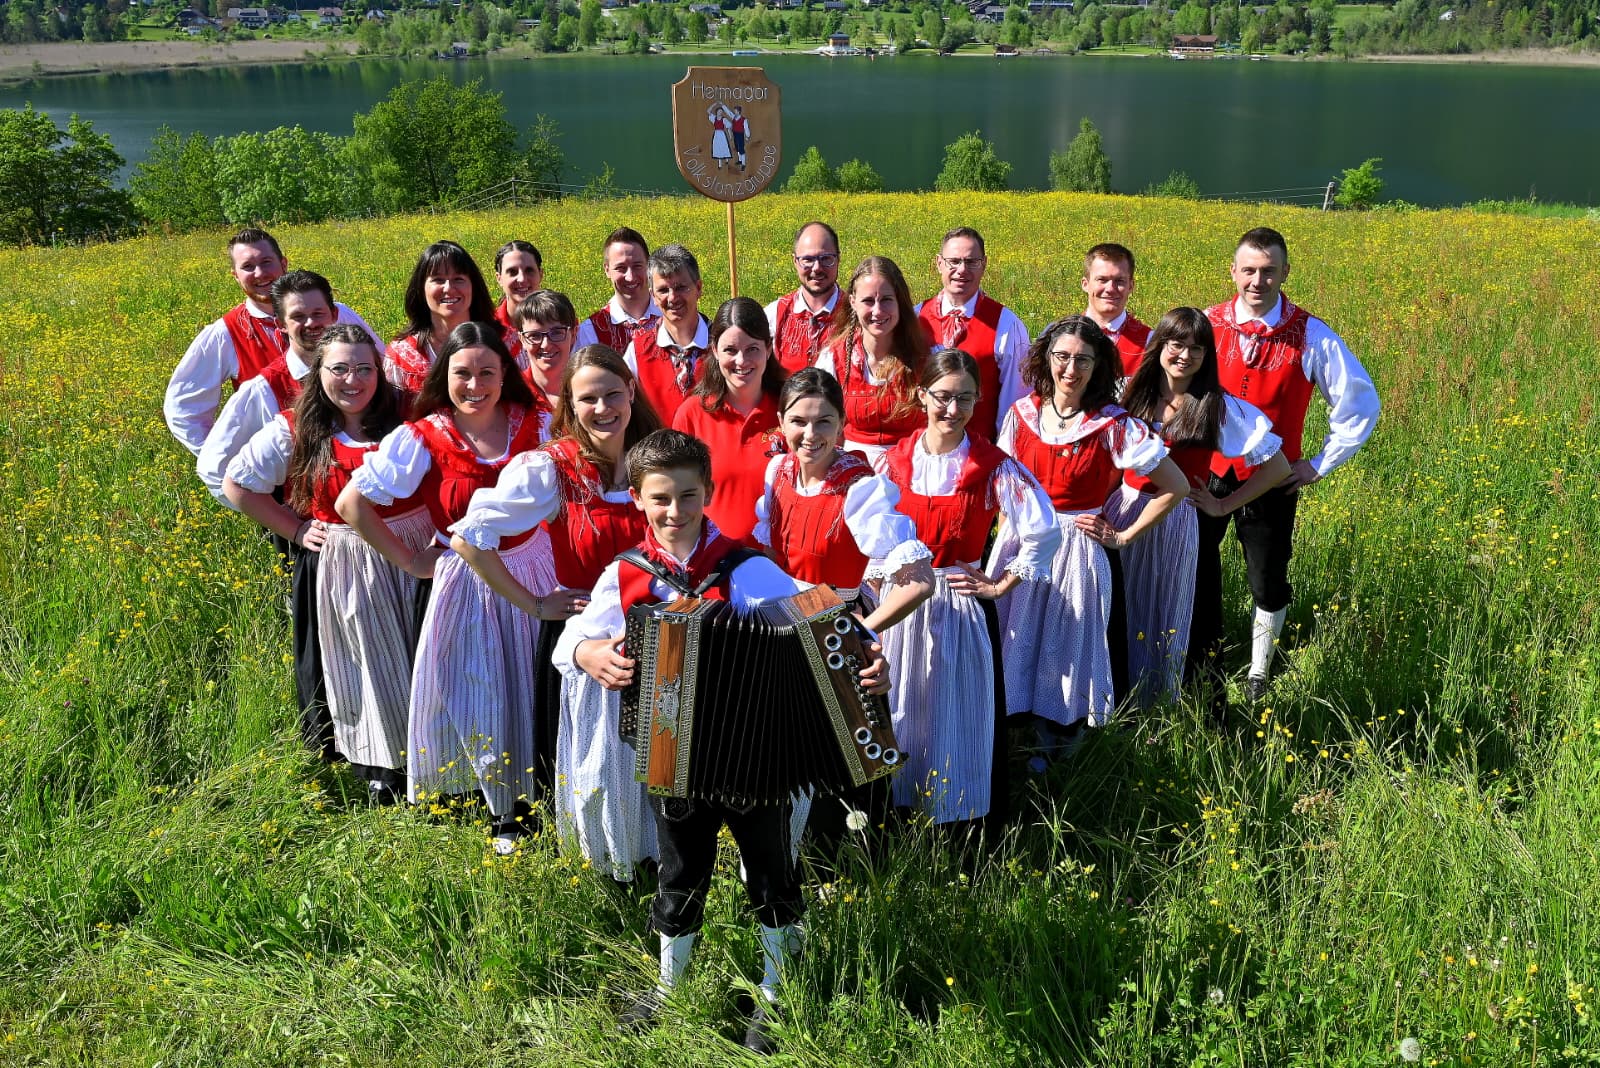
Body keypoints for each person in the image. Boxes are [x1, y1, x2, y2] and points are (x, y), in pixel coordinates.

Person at [554, 428, 890, 1052]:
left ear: (708, 492)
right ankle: (669, 987)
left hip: (755, 761)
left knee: (770, 874)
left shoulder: (749, 568)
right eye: (660, 499)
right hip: (669, 757)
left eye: (688, 496)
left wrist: (868, 658)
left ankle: (776, 990)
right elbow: (566, 646)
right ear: (637, 499)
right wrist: (589, 649)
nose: (675, 512)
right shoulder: (627, 574)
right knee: (679, 873)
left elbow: (821, 626)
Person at [337, 322, 553, 851]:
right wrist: (410, 560)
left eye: (487, 372)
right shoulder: (425, 434)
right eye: (462, 373)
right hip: (467, 581)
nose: (475, 384)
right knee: (480, 685)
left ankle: (543, 793)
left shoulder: (538, 422)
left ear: (506, 376)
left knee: (534, 683)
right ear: (444, 375)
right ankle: (501, 809)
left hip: (533, 567)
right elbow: (351, 504)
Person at [452, 345, 664, 879]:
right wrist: (533, 602)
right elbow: (470, 539)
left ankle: (660, 861)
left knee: (655, 762)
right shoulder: (551, 468)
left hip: (661, 637)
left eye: (612, 393)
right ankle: (604, 870)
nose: (602, 408)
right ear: (569, 403)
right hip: (585, 642)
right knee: (592, 762)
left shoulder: (656, 458)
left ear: (632, 393)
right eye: (587, 398)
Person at [223, 324, 433, 802]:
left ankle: (432, 756)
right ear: (319, 372)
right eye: (340, 368)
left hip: (416, 547)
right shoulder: (297, 426)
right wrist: (295, 529)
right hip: (351, 557)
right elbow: (237, 484)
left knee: (422, 653)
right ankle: (383, 765)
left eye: (364, 368)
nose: (353, 380)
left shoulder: (407, 412)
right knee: (368, 660)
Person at [1193, 227, 1380, 703]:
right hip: (1204, 474)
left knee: (1267, 577)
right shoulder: (1205, 324)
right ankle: (1196, 660)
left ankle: (1259, 673)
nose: (1258, 280)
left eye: (1269, 271)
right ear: (1232, 272)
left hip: (1274, 481)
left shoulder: (1311, 333)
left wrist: (1319, 463)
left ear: (1285, 273)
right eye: (1249, 270)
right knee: (1193, 567)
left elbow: (1358, 401)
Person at [876, 350, 1060, 831]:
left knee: (954, 715)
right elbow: (865, 534)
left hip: (957, 606)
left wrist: (999, 583)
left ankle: (955, 819)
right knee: (903, 706)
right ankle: (898, 812)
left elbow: (1043, 531)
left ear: (978, 401)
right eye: (942, 396)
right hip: (899, 606)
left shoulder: (991, 465)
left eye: (964, 398)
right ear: (922, 396)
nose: (952, 409)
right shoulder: (893, 463)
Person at [755, 366, 934, 856]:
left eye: (824, 422)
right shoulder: (778, 472)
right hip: (785, 630)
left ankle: (849, 873)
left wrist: (859, 627)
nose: (810, 435)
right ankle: (790, 861)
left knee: (846, 760)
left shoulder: (859, 488)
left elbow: (919, 581)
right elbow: (772, 551)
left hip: (836, 634)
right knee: (791, 753)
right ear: (781, 422)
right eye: (799, 422)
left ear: (842, 424)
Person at [992, 317, 1187, 766]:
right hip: (1024, 544)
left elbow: (1174, 486)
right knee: (1017, 637)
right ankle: (1016, 745)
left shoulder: (1113, 424)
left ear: (1098, 367)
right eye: (1062, 356)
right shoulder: (1021, 414)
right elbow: (1006, 487)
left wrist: (1122, 535)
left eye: (1083, 359)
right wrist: (1006, 540)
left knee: (1066, 646)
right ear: (1047, 359)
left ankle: (1061, 750)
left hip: (1077, 550)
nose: (1071, 368)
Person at [199, 269, 344, 757]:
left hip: (364, 535)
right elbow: (217, 469)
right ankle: (327, 747)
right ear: (281, 325)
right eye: (297, 317)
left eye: (318, 313)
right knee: (316, 640)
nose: (310, 324)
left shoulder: (362, 370)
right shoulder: (263, 390)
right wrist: (288, 524)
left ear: (335, 313)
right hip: (309, 534)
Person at [1111, 308, 1288, 707]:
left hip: (1177, 523)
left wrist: (1224, 504)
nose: (1185, 355)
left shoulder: (1215, 406)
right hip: (1123, 511)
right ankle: (1120, 701)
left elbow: (1276, 465)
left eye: (1197, 347)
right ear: (1160, 345)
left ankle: (1173, 706)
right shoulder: (1128, 392)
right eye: (1177, 343)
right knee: (1123, 609)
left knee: (1175, 612)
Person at [164, 227, 381, 456]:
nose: (260, 273)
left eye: (266, 262)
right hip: (279, 469)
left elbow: (382, 365)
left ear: (284, 264)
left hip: (351, 456)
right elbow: (183, 408)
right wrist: (230, 463)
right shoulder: (224, 333)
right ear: (235, 275)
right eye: (248, 267)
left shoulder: (337, 314)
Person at [671, 297, 787, 547]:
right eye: (730, 350)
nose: (741, 361)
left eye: (752, 349)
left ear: (768, 349)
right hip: (714, 566)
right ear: (714, 349)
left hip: (784, 566)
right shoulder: (691, 414)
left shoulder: (791, 410)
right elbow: (677, 496)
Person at [913, 227, 1030, 441]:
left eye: (971, 262)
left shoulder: (1006, 325)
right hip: (922, 449)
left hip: (978, 451)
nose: (962, 270)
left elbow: (1014, 405)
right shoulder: (916, 317)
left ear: (984, 264)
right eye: (954, 261)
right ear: (939, 263)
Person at [815, 256, 931, 467]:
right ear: (853, 302)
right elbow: (819, 424)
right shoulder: (833, 359)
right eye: (868, 301)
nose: (878, 311)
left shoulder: (927, 358)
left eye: (886, 299)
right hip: (853, 470)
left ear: (900, 301)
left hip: (914, 469)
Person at [385, 241, 499, 395]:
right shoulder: (401, 356)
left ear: (473, 286)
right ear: (421, 288)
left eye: (458, 279)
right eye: (438, 280)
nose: (449, 288)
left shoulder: (503, 343)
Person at [622, 244, 711, 420]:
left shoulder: (723, 345)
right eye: (663, 290)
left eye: (681, 287)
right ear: (653, 296)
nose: (672, 298)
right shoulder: (637, 352)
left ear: (698, 288)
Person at [764, 221, 842, 373]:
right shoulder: (774, 316)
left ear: (838, 259)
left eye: (826, 258)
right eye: (808, 259)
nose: (817, 268)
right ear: (795, 261)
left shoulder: (857, 314)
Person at [574, 227, 661, 353]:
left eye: (637, 266)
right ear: (607, 270)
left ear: (649, 265)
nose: (630, 277)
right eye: (621, 268)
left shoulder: (673, 316)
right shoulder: (589, 332)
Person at [1079, 242, 1152, 379]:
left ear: (1131, 286)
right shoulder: (1059, 335)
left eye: (1119, 281)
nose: (1110, 289)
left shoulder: (1150, 342)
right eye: (1102, 280)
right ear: (1085, 284)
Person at [511, 289, 578, 412]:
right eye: (534, 335)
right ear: (522, 339)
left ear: (573, 333)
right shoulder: (512, 396)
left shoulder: (591, 390)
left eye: (557, 333)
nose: (546, 344)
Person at [491, 240, 545, 360]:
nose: (521, 279)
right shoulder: (487, 329)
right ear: (499, 278)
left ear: (541, 274)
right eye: (512, 272)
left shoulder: (561, 323)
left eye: (529, 270)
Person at [709, 103, 732, 169]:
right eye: (719, 111)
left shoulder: (724, 119)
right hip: (716, 135)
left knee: (724, 146)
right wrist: (714, 104)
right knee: (717, 148)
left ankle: (727, 159)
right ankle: (719, 164)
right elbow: (708, 111)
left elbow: (728, 127)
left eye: (721, 111)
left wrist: (730, 135)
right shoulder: (714, 118)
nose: (720, 112)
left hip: (722, 135)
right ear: (716, 112)